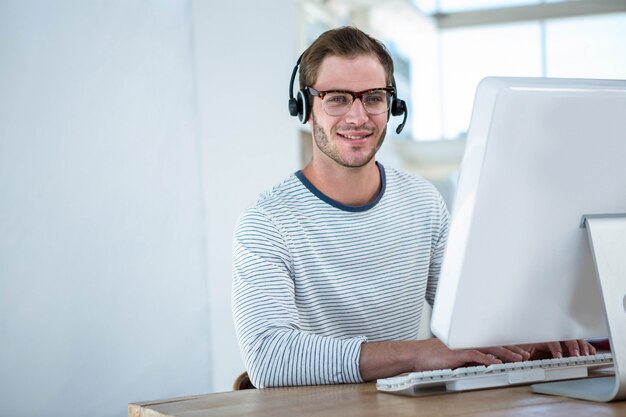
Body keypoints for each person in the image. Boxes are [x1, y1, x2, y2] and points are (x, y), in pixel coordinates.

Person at [231, 26, 595, 388]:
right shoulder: (266, 223)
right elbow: (268, 358)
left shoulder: (423, 202)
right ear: (305, 108)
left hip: (400, 406)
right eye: (337, 98)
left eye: (373, 97)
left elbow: (467, 316)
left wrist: (530, 332)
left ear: (393, 106)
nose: (358, 117)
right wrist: (420, 354)